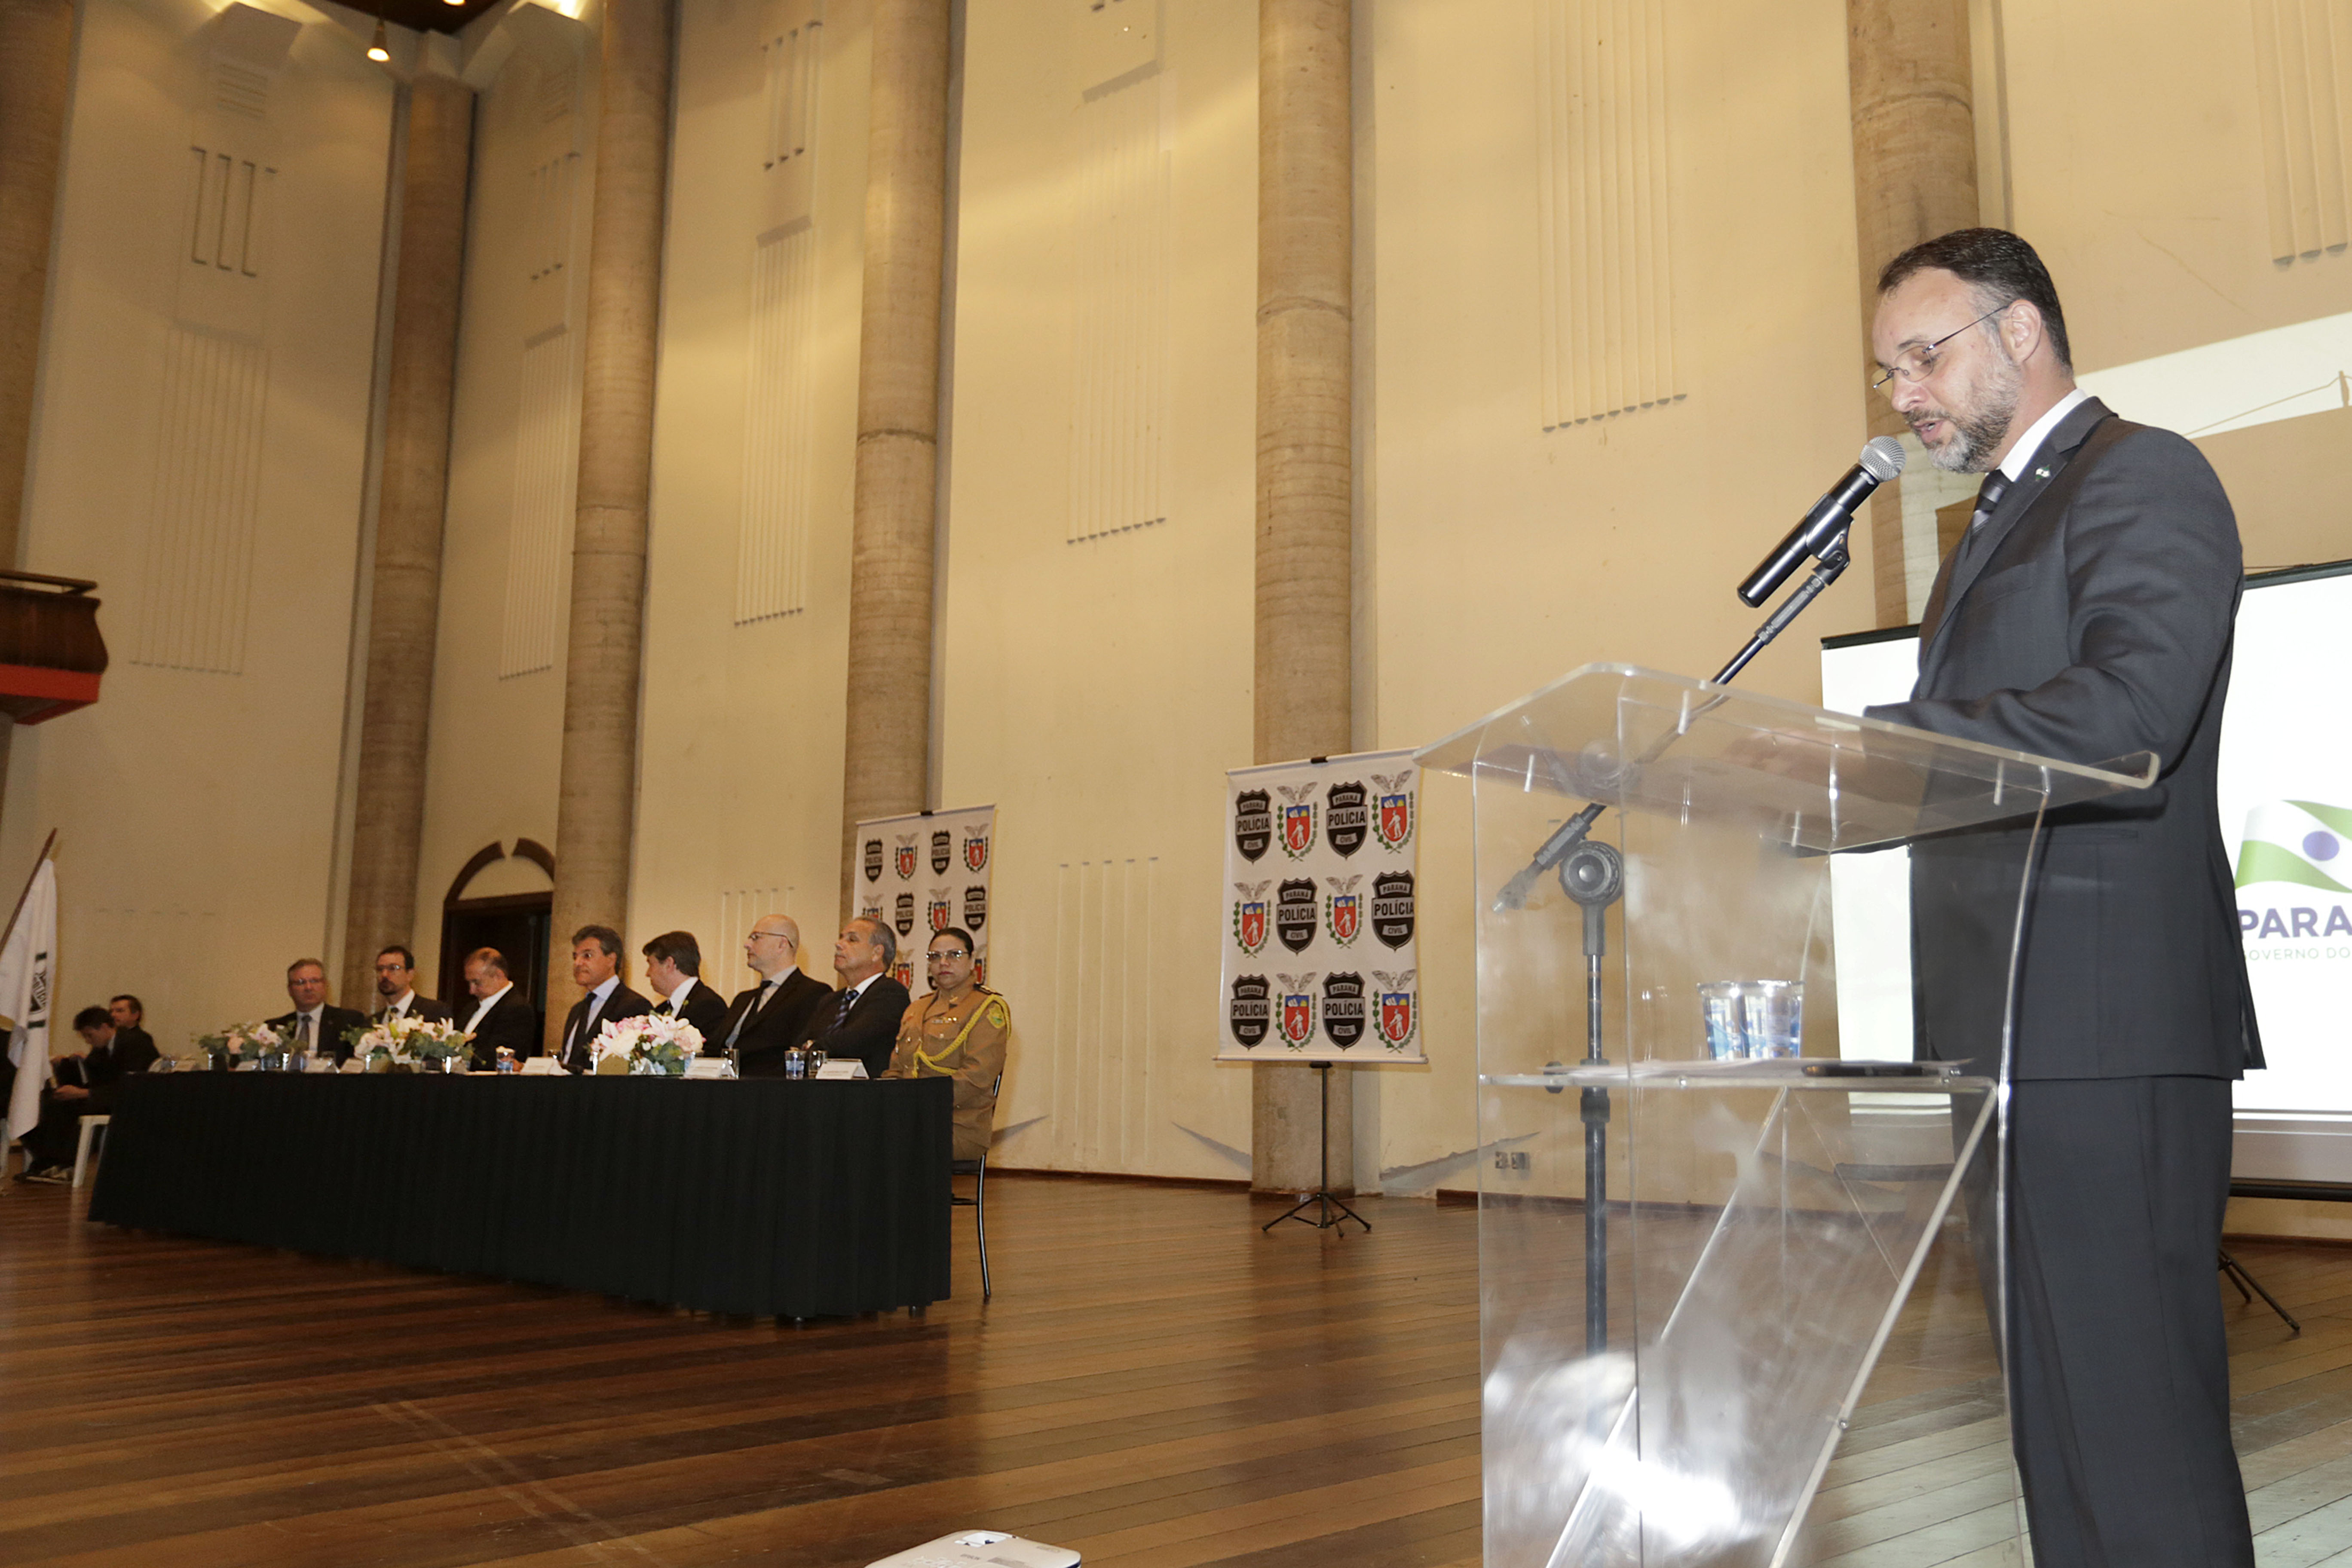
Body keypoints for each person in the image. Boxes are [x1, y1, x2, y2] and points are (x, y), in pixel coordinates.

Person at [1862, 228, 2258, 1568]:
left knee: (2140, 1438)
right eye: (1889, 373)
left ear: (2020, 331)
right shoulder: (1986, 524)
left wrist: (1890, 748)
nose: (1905, 395)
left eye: (1925, 356)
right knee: (2060, 1437)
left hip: (2105, 1028)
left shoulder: (2143, 473)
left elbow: (2136, 709)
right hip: (2002, 1046)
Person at [882, 927, 1007, 1163]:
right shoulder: (916, 1009)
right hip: (910, 1119)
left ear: (972, 960)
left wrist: (918, 1104)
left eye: (954, 955)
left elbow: (977, 1076)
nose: (943, 963)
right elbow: (896, 1071)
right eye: (935, 957)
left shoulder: (986, 1008)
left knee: (881, 1145)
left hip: (958, 1125)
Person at [16, 1004, 161, 1182]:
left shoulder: (136, 1042)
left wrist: (84, 1093)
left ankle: (60, 1162)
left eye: (89, 1035)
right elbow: (91, 1078)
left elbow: (132, 1085)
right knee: (43, 1103)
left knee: (64, 1108)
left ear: (105, 1027)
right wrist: (66, 1066)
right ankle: (48, 1161)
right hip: (107, 1097)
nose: (87, 1041)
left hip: (130, 1101)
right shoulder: (102, 1047)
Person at [713, 915, 830, 1075]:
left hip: (767, 1086)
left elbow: (798, 1054)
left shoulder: (813, 993)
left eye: (756, 938)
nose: (747, 945)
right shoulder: (743, 999)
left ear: (782, 944)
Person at [796, 916, 911, 1079]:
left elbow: (853, 1043)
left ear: (877, 953)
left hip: (866, 1091)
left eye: (852, 940)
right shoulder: (830, 1000)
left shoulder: (891, 993)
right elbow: (799, 1047)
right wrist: (812, 1048)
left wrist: (815, 1047)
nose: (839, 944)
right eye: (841, 937)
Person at [555, 925, 650, 1073]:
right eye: (575, 956)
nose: (577, 963)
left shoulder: (635, 1006)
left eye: (587, 956)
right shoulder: (577, 1010)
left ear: (611, 960)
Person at [267, 959, 368, 1068]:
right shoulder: (274, 1028)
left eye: (314, 981)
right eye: (300, 983)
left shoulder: (349, 1021)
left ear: (325, 985)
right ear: (290, 990)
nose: (308, 988)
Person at [458, 948, 538, 1070]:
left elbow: (498, 1057)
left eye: (477, 983)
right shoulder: (469, 1008)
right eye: (469, 983)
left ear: (498, 976)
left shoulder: (518, 1009)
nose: (471, 991)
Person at [641, 930, 728, 1040]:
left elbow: (710, 1049)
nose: (647, 974)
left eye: (651, 964)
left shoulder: (709, 1006)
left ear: (669, 964)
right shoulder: (662, 1009)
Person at [371, 946, 453, 1024]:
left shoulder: (435, 1012)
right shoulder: (371, 1022)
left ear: (410, 975)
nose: (384, 975)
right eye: (380, 969)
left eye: (393, 968)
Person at [107, 995, 156, 1062]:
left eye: (120, 1011)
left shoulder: (142, 1040)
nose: (113, 1015)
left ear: (135, 1015)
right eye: (111, 1011)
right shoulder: (108, 1038)